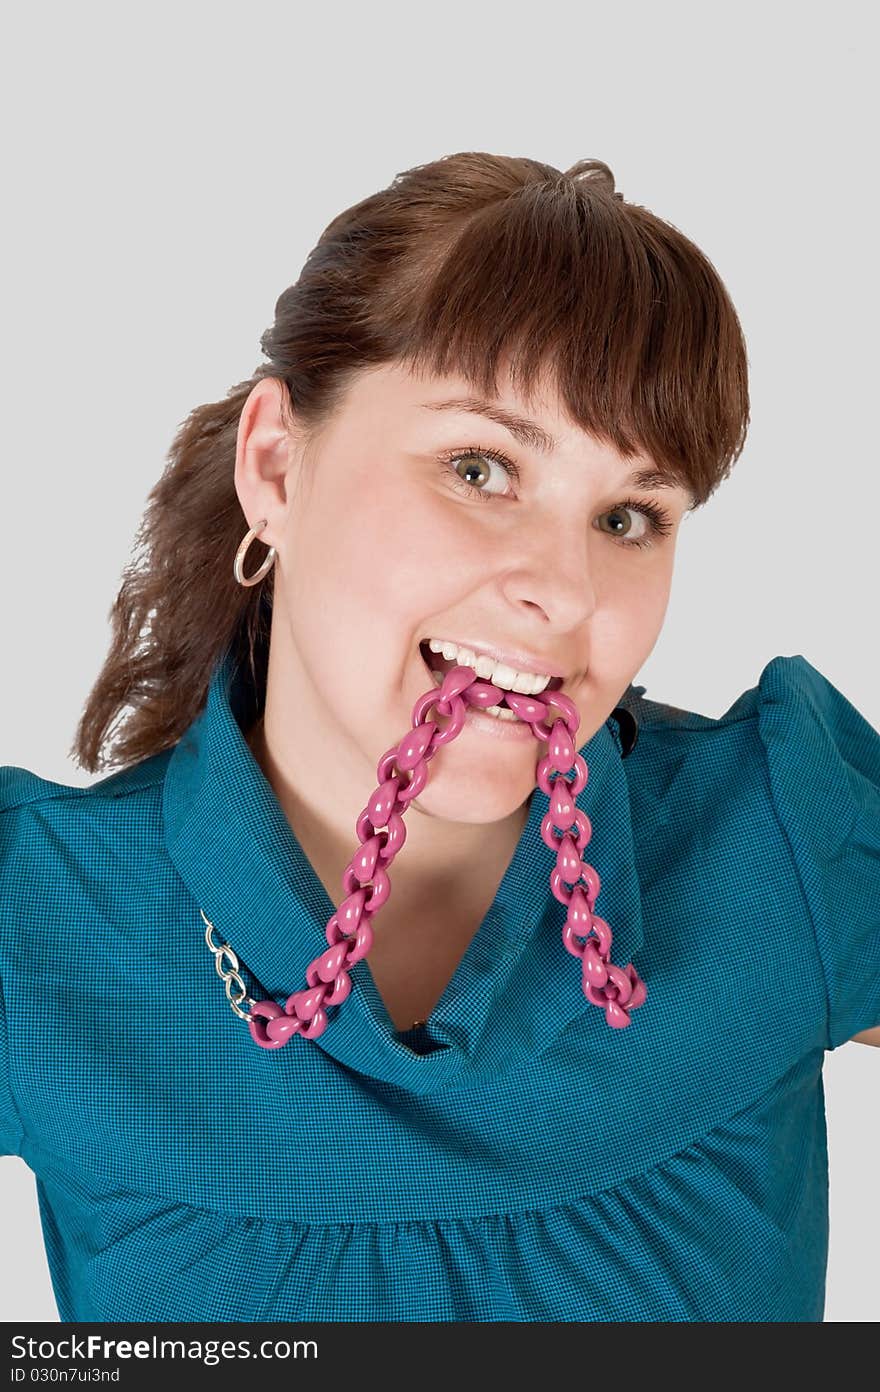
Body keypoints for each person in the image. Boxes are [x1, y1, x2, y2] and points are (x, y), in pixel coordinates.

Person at [1, 151, 877, 1324]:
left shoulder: (780, 846)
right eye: (481, 468)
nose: (565, 592)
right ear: (276, 463)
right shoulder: (37, 922)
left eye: (628, 516)